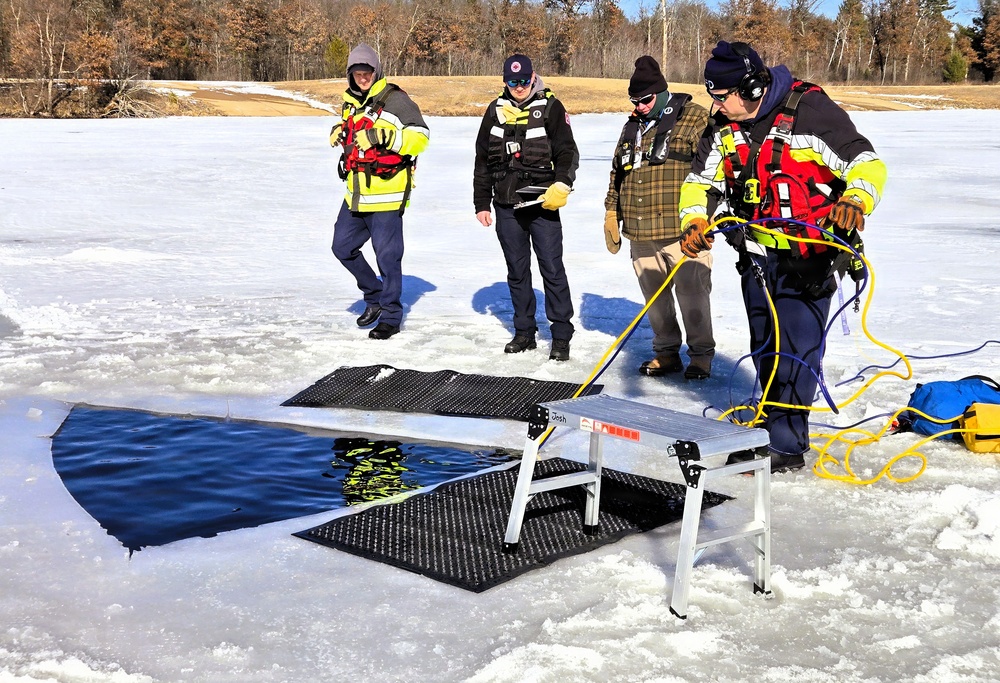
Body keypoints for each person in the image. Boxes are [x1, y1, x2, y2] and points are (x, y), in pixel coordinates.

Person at [678, 40, 887, 472]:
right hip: (755, 257)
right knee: (765, 347)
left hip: (808, 258)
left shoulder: (811, 113)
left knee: (796, 351)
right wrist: (694, 220)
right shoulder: (721, 128)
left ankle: (787, 446)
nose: (715, 106)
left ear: (752, 89)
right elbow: (699, 182)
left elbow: (867, 163)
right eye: (711, 96)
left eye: (722, 96)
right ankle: (770, 427)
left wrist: (856, 200)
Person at [603, 55, 715, 380]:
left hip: (682, 231)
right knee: (655, 299)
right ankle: (666, 353)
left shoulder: (694, 117)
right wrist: (612, 210)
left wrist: (705, 217)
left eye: (645, 100)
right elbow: (618, 172)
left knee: (693, 295)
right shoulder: (631, 127)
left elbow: (714, 168)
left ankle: (701, 356)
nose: (638, 106)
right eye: (634, 101)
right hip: (640, 231)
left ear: (662, 92)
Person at [473, 54, 580, 361]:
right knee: (517, 272)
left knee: (552, 269)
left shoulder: (551, 108)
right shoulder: (494, 111)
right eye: (512, 82)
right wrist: (482, 202)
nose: (519, 87)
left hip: (542, 204)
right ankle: (524, 333)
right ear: (505, 81)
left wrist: (563, 183)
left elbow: (567, 152)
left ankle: (561, 335)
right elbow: (482, 160)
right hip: (506, 205)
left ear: (534, 77)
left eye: (523, 81)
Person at [329, 43, 429, 340]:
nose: (363, 77)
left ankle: (391, 316)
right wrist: (339, 130)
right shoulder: (351, 103)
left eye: (367, 71)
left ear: (377, 71)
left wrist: (383, 136)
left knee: (388, 257)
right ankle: (373, 295)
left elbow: (420, 137)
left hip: (387, 195)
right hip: (356, 194)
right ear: (350, 74)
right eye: (357, 72)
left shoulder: (396, 100)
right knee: (342, 247)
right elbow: (354, 134)